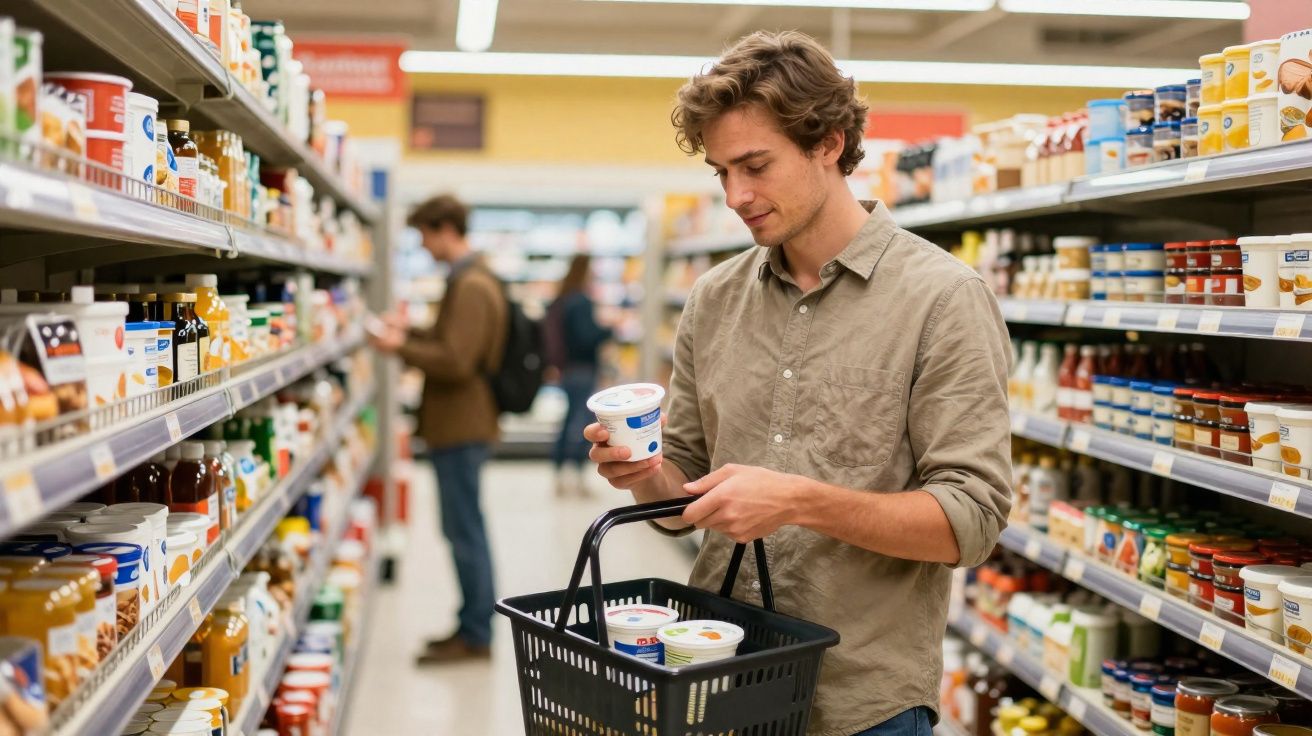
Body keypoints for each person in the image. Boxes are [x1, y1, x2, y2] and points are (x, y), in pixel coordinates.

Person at [583, 31, 1012, 736]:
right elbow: (680, 503)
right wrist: (645, 473)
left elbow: (970, 522)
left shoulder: (942, 299)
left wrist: (799, 501)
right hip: (717, 677)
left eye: (755, 165)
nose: (736, 196)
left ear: (828, 144)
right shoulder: (714, 299)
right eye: (722, 172)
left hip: (861, 703)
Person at [370, 193, 508, 665]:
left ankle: (475, 634)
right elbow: (449, 340)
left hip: (462, 425)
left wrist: (398, 348)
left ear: (446, 230)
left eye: (425, 235)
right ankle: (470, 624)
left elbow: (456, 360)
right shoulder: (467, 278)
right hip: (458, 424)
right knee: (463, 527)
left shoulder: (472, 285)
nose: (424, 246)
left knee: (465, 531)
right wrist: (407, 333)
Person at [546, 254, 613, 498]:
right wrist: (608, 329)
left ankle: (559, 472)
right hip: (583, 369)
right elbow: (586, 337)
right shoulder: (582, 301)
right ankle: (577, 474)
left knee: (567, 422)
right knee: (584, 424)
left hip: (567, 369)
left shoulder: (562, 299)